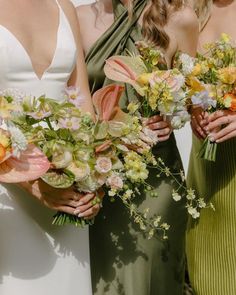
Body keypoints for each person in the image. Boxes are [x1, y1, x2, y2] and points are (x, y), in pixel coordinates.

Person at [77, 1, 198, 294]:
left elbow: (194, 98)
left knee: (149, 278)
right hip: (98, 178)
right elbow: (75, 102)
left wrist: (172, 113)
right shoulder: (78, 18)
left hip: (154, 182)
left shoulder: (181, 17)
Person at [0, 0, 101, 294]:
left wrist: (92, 179)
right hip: (8, 187)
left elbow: (81, 101)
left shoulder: (64, 7)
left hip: (68, 182)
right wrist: (33, 184)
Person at [186, 0, 236, 294]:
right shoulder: (191, 11)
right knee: (206, 280)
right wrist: (192, 107)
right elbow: (181, 80)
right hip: (206, 170)